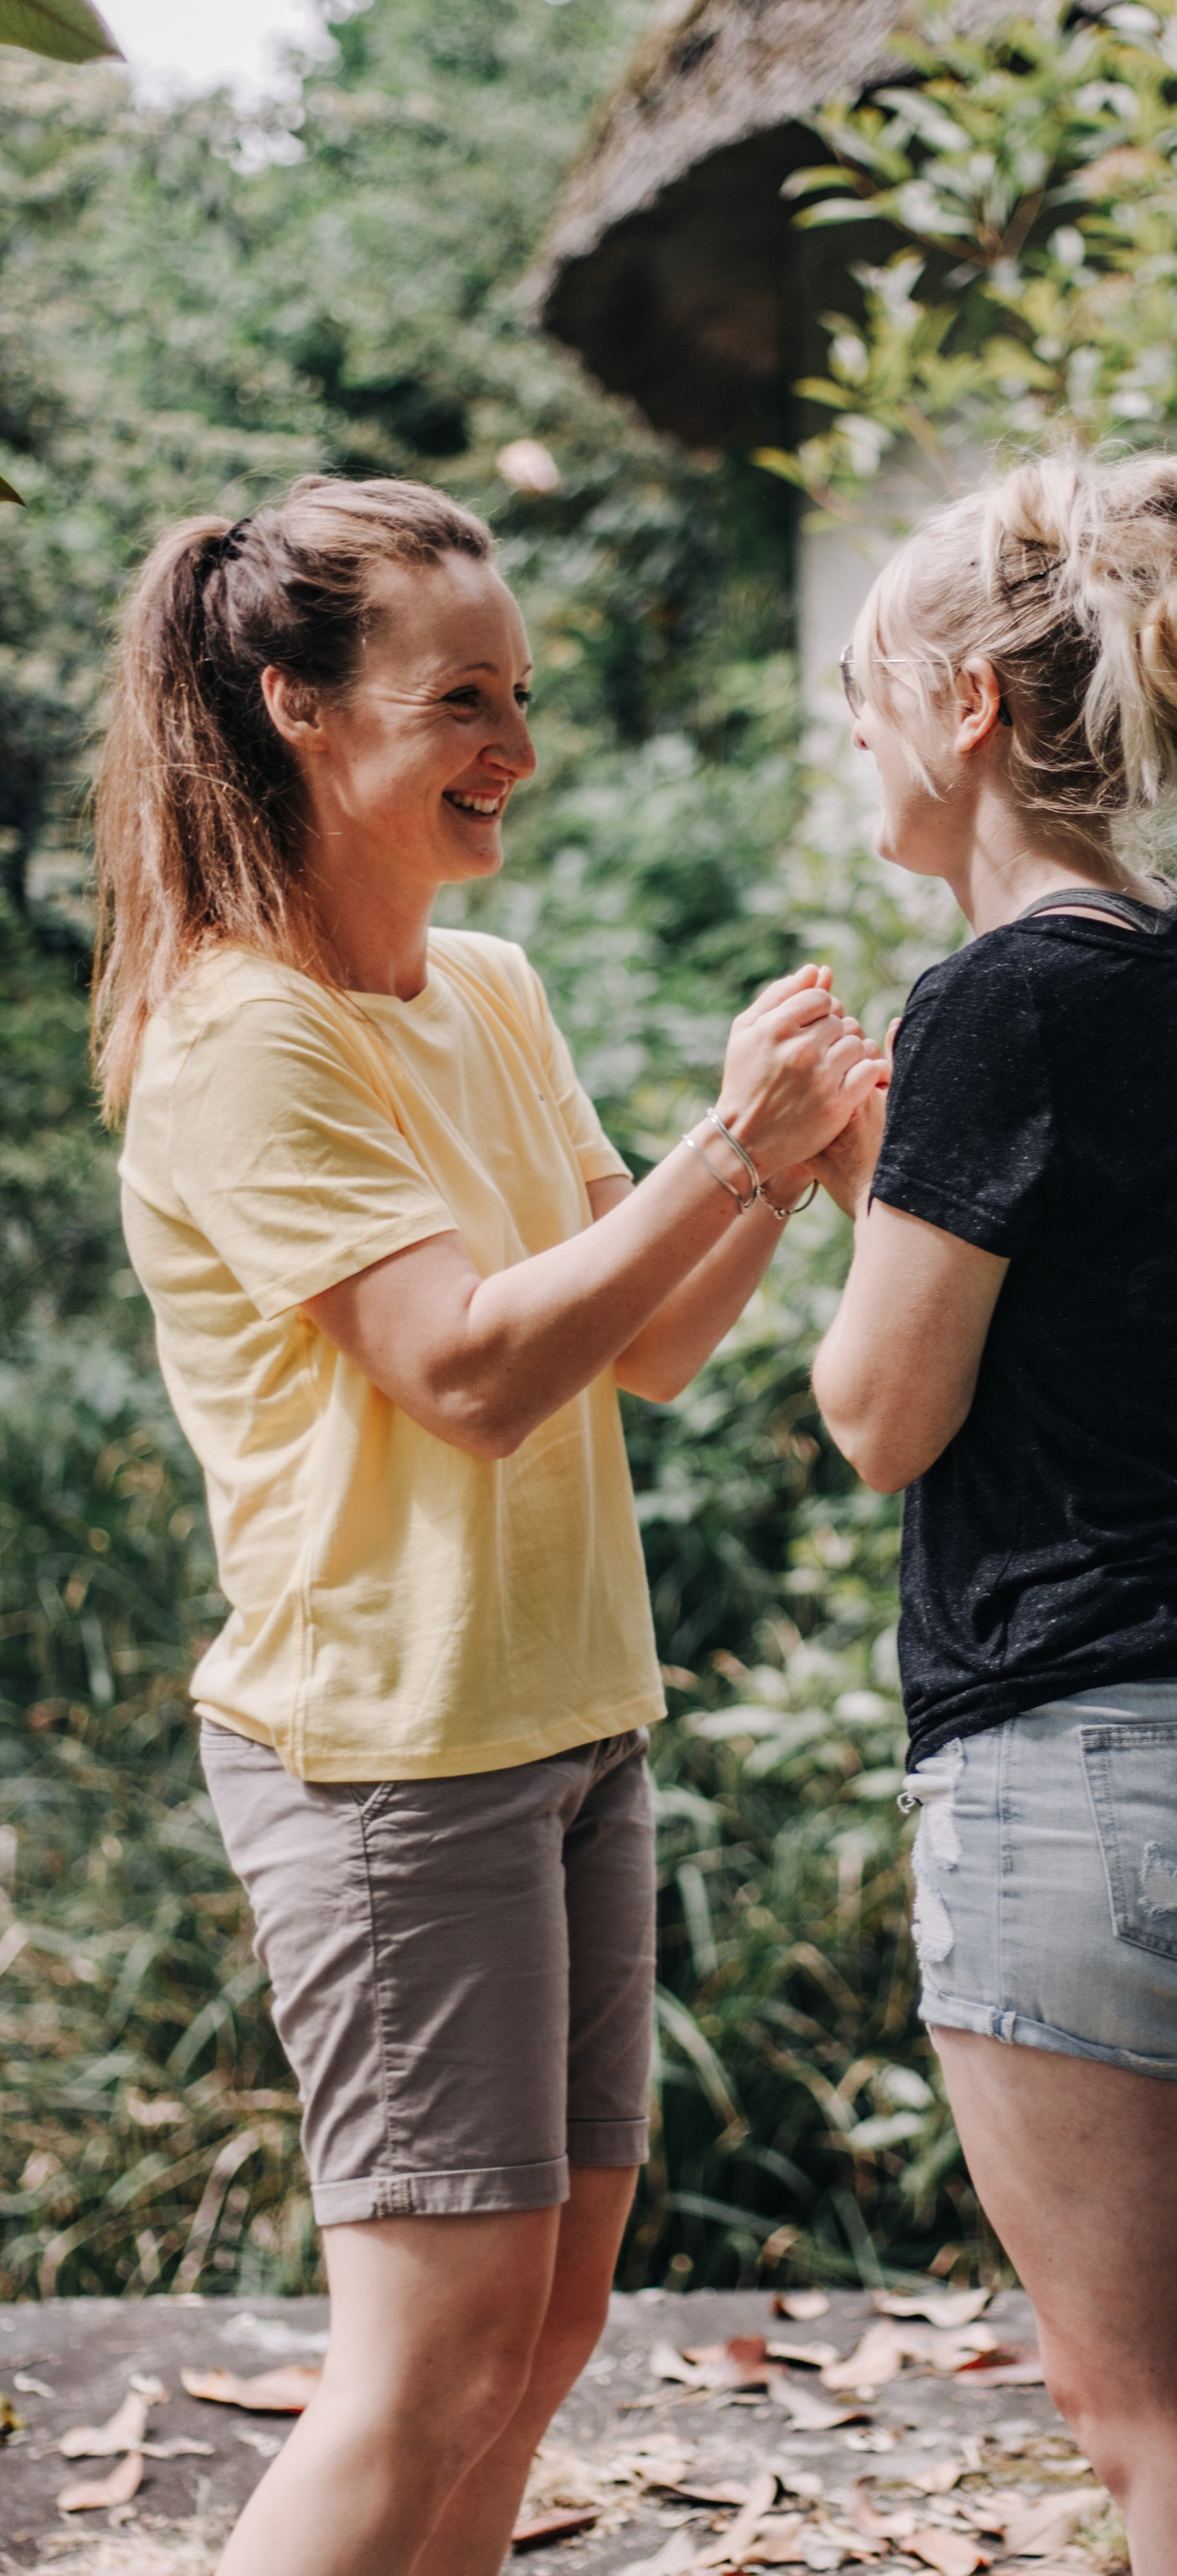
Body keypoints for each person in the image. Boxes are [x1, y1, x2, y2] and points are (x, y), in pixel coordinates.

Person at [94, 474, 880, 2576]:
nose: (515, 749)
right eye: (463, 701)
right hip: (383, 1755)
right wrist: (725, 1141)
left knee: (534, 2345)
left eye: (518, 696)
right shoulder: (236, 1036)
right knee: (427, 2362)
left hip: (567, 1719)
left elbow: (642, 1349)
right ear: (294, 704)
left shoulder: (491, 985)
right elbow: (465, 1368)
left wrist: (781, 1163)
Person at [808, 452, 1177, 2576]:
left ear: (964, 705)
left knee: (1163, 2424)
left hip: (1089, 1762)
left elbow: (876, 1409)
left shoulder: (996, 991)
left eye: (866, 695)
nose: (852, 739)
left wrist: (828, 1174)